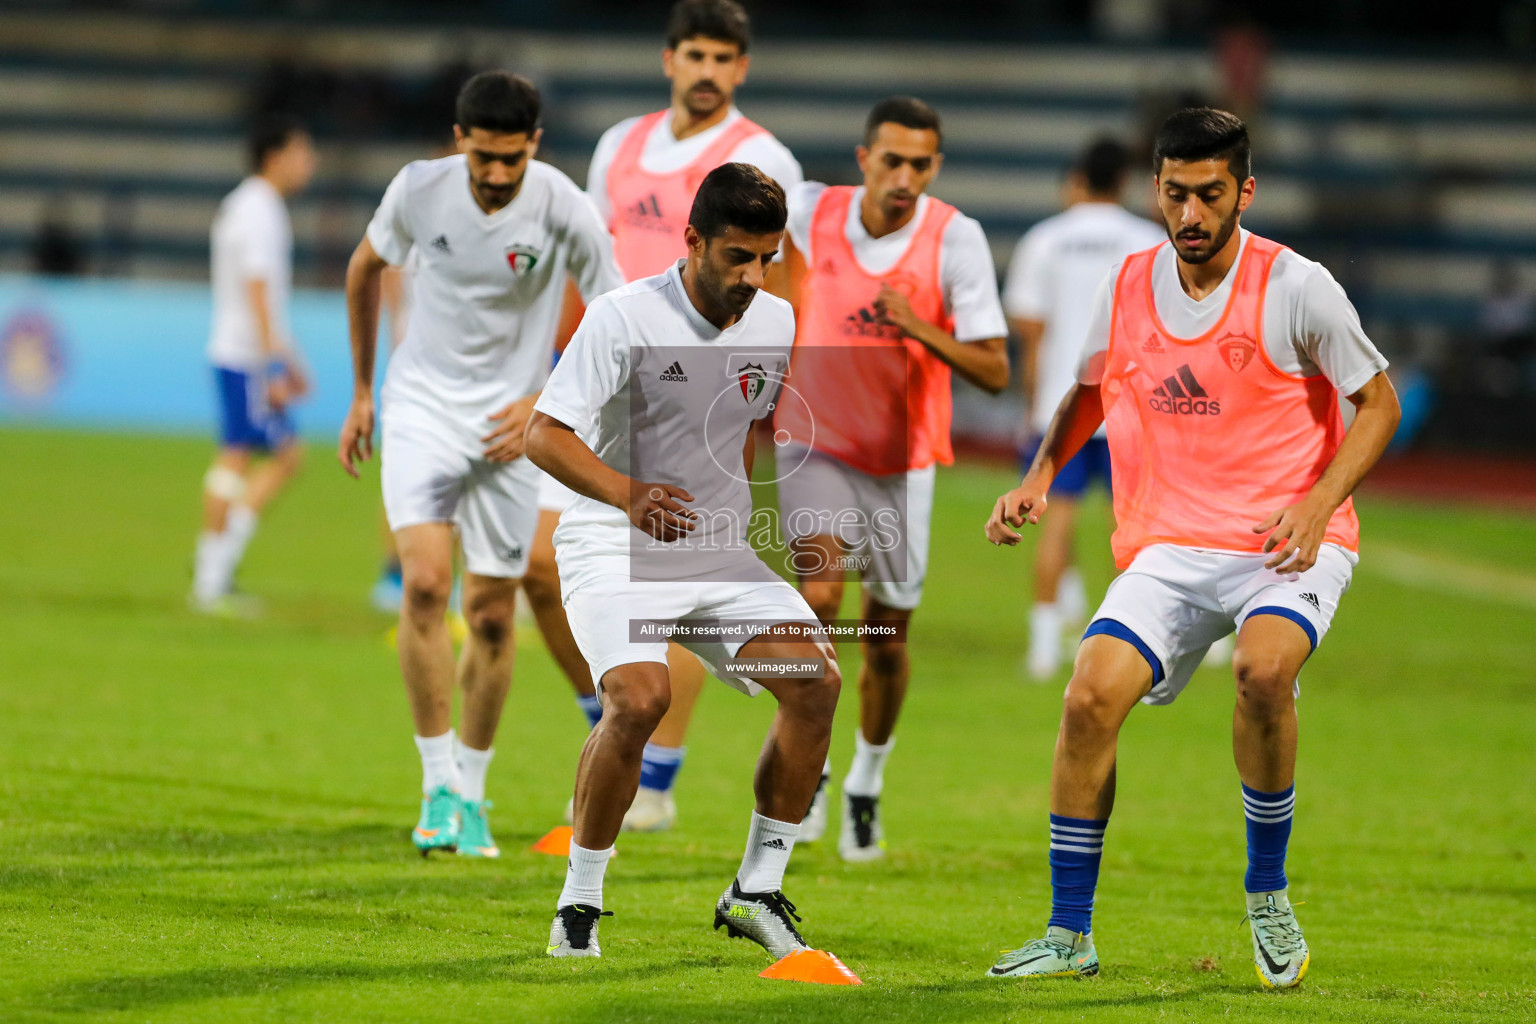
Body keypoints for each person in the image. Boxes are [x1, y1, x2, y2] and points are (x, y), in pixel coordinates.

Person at [983, 108, 1401, 987]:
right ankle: (1068, 934)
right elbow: (1091, 391)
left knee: (1262, 673)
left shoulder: (1297, 285)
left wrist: (1321, 502)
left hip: (1282, 541)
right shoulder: (1130, 281)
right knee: (1089, 697)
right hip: (1171, 544)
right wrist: (1037, 477)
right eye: (1175, 193)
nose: (1191, 214)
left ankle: (1266, 891)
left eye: (1210, 194)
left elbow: (1380, 404)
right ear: (1156, 189)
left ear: (1243, 191)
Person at [526, 163, 841, 962]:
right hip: (611, 536)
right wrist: (630, 494)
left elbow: (751, 431)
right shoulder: (622, 317)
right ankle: (579, 905)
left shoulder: (775, 320)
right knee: (639, 700)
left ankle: (756, 890)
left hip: (716, 550)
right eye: (736, 256)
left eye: (765, 257)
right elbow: (545, 435)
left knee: (816, 684)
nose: (752, 276)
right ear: (692, 240)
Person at [521, 0, 804, 833]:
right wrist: (554, 358)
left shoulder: (760, 155)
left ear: (741, 68)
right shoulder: (620, 144)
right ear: (669, 59)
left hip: (695, 390)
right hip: (605, 374)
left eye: (725, 57)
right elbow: (587, 258)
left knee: (672, 567)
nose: (709, 70)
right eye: (695, 54)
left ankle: (656, 778)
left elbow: (790, 275)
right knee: (541, 570)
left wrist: (779, 387)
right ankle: (617, 732)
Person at [337, 71, 622, 860]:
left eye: (511, 159)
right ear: (460, 140)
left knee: (495, 613)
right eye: (483, 158)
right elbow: (364, 269)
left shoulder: (564, 205)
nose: (496, 175)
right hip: (423, 406)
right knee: (426, 583)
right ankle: (435, 787)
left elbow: (616, 314)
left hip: (513, 427)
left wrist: (545, 396)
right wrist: (363, 391)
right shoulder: (418, 191)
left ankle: (471, 790)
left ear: (533, 143)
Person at [773, 96, 1009, 861]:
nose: (905, 176)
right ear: (863, 157)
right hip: (815, 442)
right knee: (817, 596)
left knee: (885, 639)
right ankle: (810, 767)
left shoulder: (954, 239)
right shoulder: (811, 210)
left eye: (921, 164)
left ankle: (866, 781)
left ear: (934, 167)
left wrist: (918, 327)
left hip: (902, 462)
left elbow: (996, 370)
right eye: (892, 160)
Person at [1003, 138, 1164, 680]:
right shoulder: (1149, 241)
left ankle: (1044, 648)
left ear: (1077, 178)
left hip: (1064, 406)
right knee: (1148, 531)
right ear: (1125, 181)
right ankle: (1165, 640)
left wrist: (1034, 407)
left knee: (1055, 526)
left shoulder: (1045, 240)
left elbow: (1032, 334)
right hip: (1134, 411)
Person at [191, 117, 316, 616]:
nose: (310, 163)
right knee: (245, 456)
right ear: (276, 156)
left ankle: (215, 568)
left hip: (237, 351)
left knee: (269, 455)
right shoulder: (261, 210)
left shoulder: (242, 205)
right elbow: (258, 289)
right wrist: (277, 364)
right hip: (246, 356)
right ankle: (211, 575)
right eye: (303, 152)